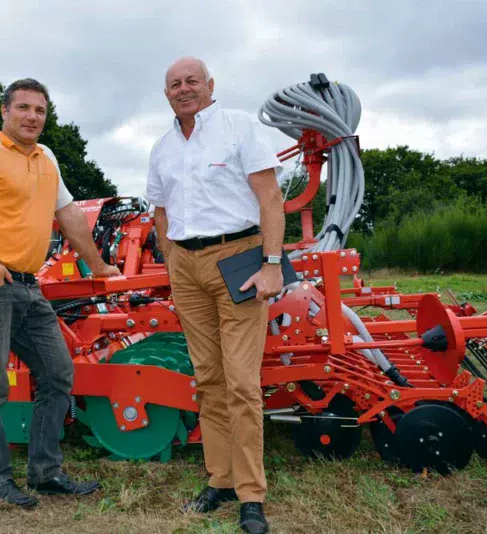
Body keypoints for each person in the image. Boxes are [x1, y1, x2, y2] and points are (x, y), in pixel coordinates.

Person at [0, 78, 121, 509]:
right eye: (23, 107)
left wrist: (98, 265)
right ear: (5, 111)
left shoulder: (47, 158)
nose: (32, 116)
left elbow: (69, 215)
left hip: (27, 285)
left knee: (57, 374)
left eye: (39, 110)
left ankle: (45, 472)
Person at [146, 58, 285, 534]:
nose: (183, 89)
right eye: (175, 84)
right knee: (208, 378)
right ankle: (220, 479)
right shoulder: (163, 147)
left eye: (192, 81)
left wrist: (271, 264)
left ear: (209, 85)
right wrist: (171, 260)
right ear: (167, 93)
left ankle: (251, 494)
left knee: (241, 382)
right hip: (186, 266)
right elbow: (160, 210)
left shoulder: (238, 127)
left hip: (238, 260)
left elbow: (270, 198)